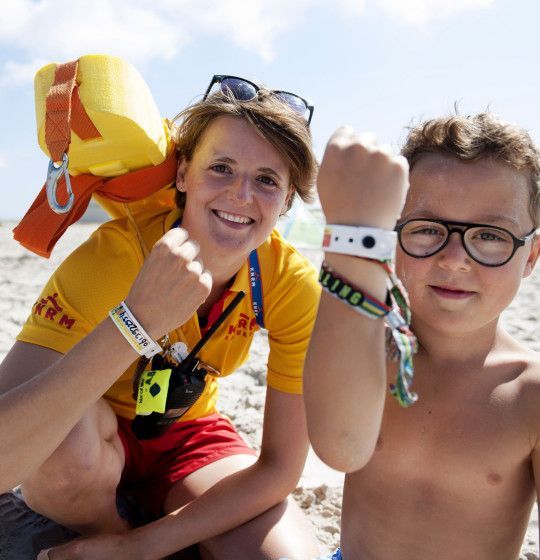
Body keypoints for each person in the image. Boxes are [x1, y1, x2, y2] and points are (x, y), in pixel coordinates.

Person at [0, 75, 322, 559]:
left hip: (186, 434)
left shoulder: (287, 282)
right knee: (64, 448)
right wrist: (137, 322)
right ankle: (102, 524)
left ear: (288, 199)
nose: (241, 194)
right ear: (183, 174)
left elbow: (279, 469)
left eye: (267, 179)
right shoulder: (114, 259)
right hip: (89, 437)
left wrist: (142, 547)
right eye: (221, 167)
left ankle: (124, 538)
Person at [304, 113, 540, 559]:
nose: (454, 259)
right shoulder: (370, 347)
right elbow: (339, 447)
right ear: (391, 238)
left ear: (531, 257)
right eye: (428, 228)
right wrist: (353, 231)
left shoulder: (530, 393)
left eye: (490, 235)